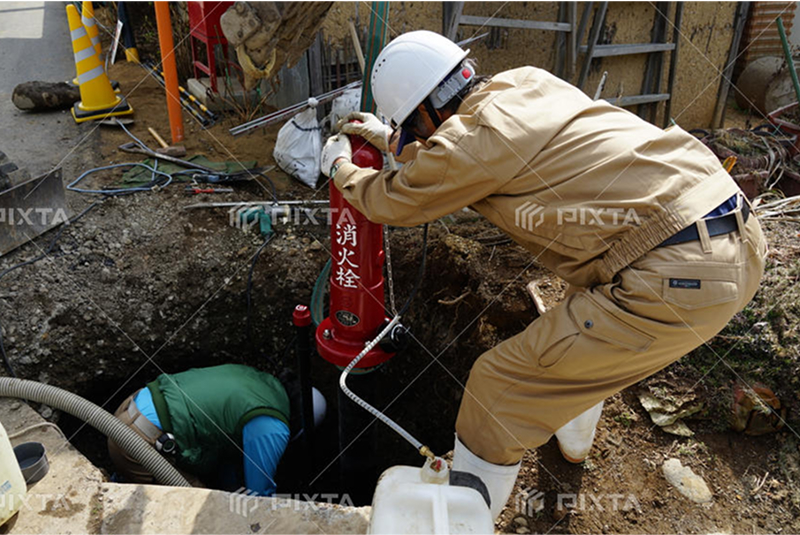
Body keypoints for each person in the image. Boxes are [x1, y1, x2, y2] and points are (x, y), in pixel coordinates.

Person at [321, 30, 766, 519]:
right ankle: (572, 445)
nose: (416, 138)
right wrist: (390, 139)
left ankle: (463, 522)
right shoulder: (525, 83)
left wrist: (341, 168)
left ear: (427, 114)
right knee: (577, 330)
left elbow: (393, 199)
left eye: (413, 127)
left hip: (676, 270)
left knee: (497, 389)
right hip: (730, 231)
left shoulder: (467, 144)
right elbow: (460, 148)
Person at [108, 364, 325, 496]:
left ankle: (123, 481)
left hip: (126, 411)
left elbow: (225, 458)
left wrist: (232, 489)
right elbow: (260, 498)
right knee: (207, 511)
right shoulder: (272, 426)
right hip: (140, 445)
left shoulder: (256, 381)